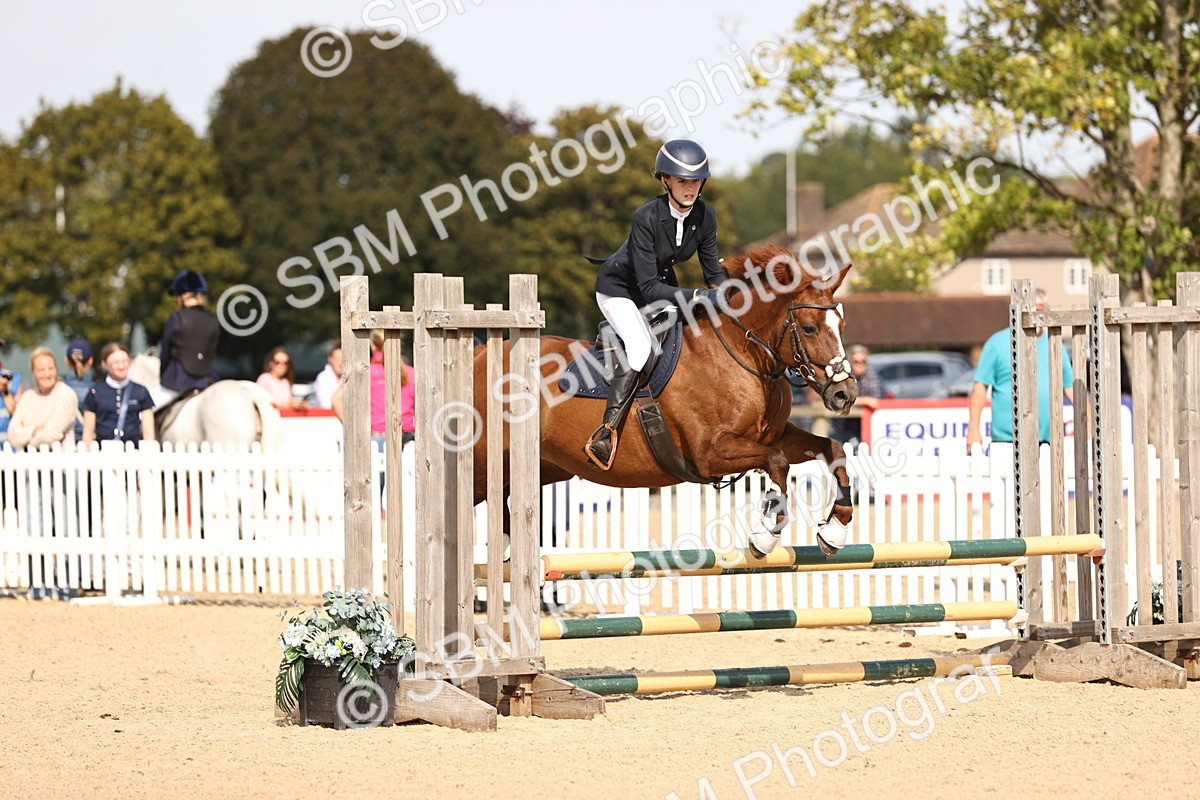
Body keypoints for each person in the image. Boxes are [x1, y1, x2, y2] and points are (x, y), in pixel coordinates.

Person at [584, 138, 726, 470]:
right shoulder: (646, 216)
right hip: (620, 289)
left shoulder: (705, 216)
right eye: (682, 181)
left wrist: (727, 295)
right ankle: (606, 432)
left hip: (660, 288)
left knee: (696, 334)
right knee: (639, 346)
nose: (690, 188)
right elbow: (647, 288)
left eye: (695, 181)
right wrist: (698, 297)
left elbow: (713, 272)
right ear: (666, 180)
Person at [156, 269, 220, 406]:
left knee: (144, 413)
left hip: (178, 379)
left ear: (184, 295)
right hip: (207, 379)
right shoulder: (214, 319)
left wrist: (162, 377)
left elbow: (165, 354)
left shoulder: (176, 318)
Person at [82, 343, 156, 446]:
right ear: (104, 364)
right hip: (102, 453)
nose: (121, 366)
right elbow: (88, 432)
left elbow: (148, 432)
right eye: (115, 363)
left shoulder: (141, 391)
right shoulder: (95, 391)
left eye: (124, 361)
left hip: (133, 452)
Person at [6, 347, 80, 449]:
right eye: (41, 370)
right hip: (28, 463)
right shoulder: (28, 397)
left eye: (51, 368)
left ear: (56, 369)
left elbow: (50, 436)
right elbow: (12, 434)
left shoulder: (66, 395)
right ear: (33, 372)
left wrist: (25, 442)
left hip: (61, 462)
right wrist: (34, 430)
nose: (47, 374)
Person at [828, 344, 883, 447]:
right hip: (840, 426)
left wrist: (854, 401)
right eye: (856, 362)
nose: (860, 364)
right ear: (849, 362)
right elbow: (838, 400)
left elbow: (875, 400)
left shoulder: (871, 374)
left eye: (863, 361)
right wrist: (865, 400)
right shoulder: (842, 374)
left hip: (864, 426)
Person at [63, 338, 95, 442]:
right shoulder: (97, 390)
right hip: (91, 444)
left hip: (64, 445)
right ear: (91, 361)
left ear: (66, 360)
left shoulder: (60, 389)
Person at [312, 341, 343, 409]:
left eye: (343, 359)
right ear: (330, 359)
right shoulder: (323, 378)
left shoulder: (350, 378)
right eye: (337, 358)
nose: (340, 363)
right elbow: (325, 405)